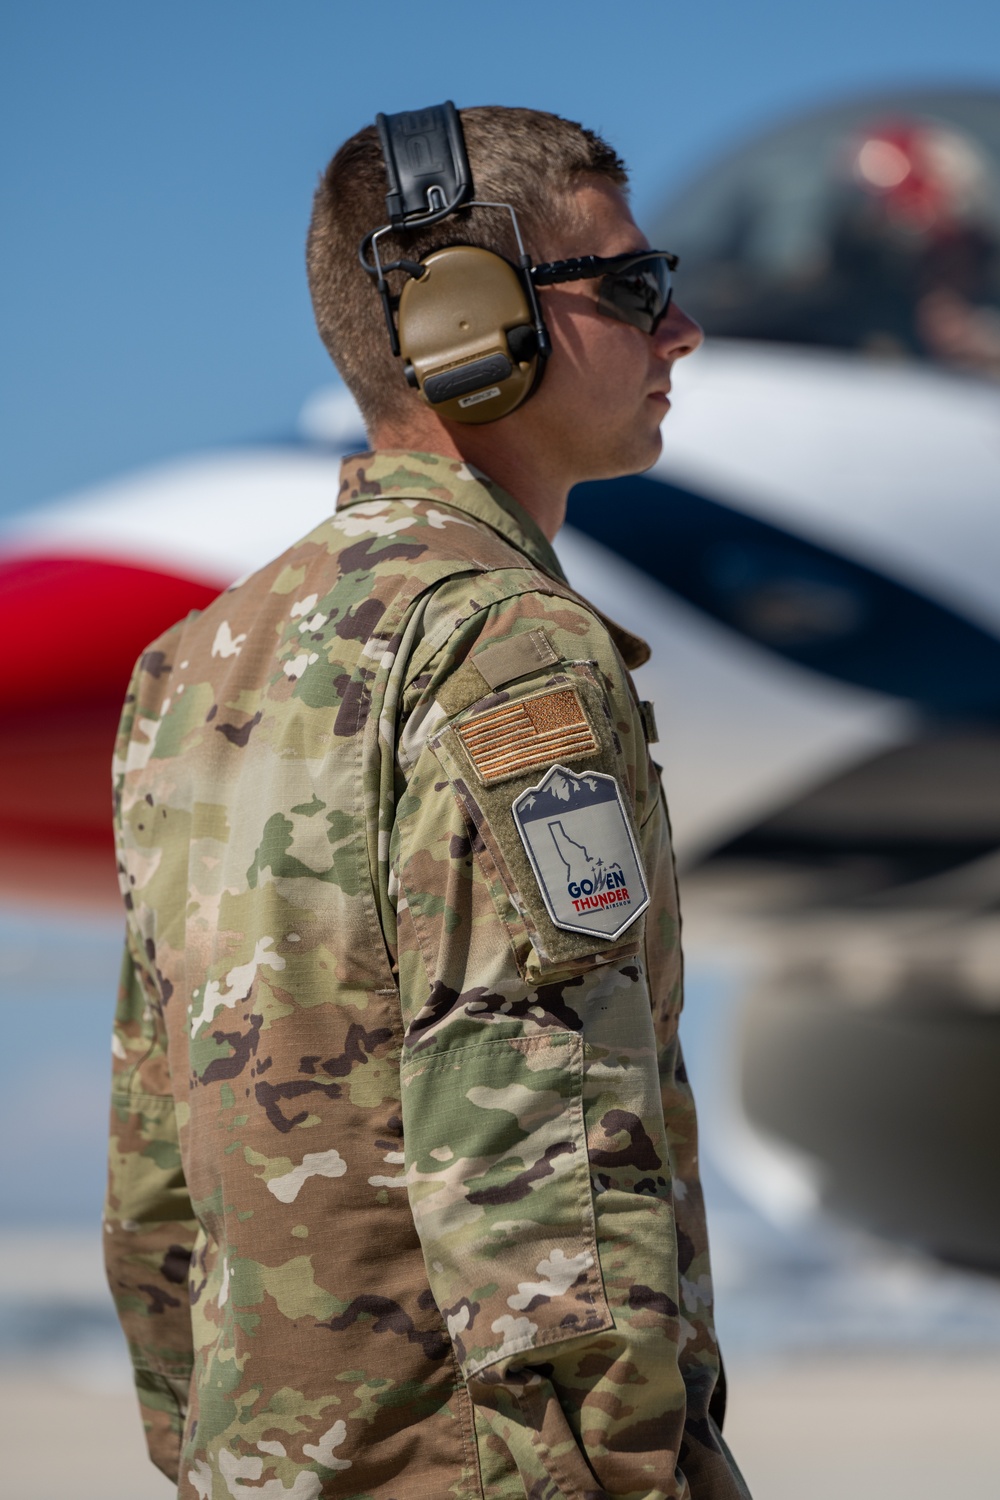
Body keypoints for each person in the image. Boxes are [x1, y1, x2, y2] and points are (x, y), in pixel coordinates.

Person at [105, 103, 751, 1500]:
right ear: (470, 320)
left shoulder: (194, 664)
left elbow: (155, 1163)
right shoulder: (512, 646)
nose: (681, 330)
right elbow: (549, 1144)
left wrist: (216, 1456)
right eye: (636, 288)